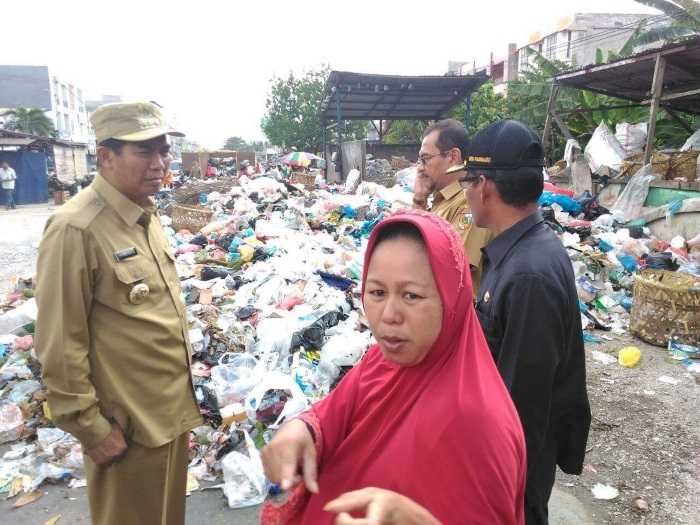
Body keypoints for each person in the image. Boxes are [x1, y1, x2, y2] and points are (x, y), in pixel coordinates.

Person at [260, 210, 526, 525]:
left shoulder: (478, 422)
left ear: (452, 297)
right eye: (377, 293)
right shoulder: (381, 363)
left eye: (411, 295)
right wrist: (299, 430)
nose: (388, 315)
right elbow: (328, 417)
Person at [34, 101, 202, 525]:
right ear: (105, 156)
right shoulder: (76, 228)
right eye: (144, 152)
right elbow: (59, 342)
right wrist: (90, 428)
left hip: (167, 416)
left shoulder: (145, 216)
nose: (159, 163)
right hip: (125, 430)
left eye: (163, 151)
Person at [457, 119, 591, 525]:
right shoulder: (520, 250)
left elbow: (522, 404)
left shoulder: (528, 274)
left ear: (484, 186)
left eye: (466, 182)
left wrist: (496, 482)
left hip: (514, 468)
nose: (465, 193)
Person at [412, 119, 491, 297]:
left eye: (425, 159)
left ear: (453, 157)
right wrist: (419, 200)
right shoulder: (442, 199)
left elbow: (452, 270)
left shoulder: (468, 203)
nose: (420, 168)